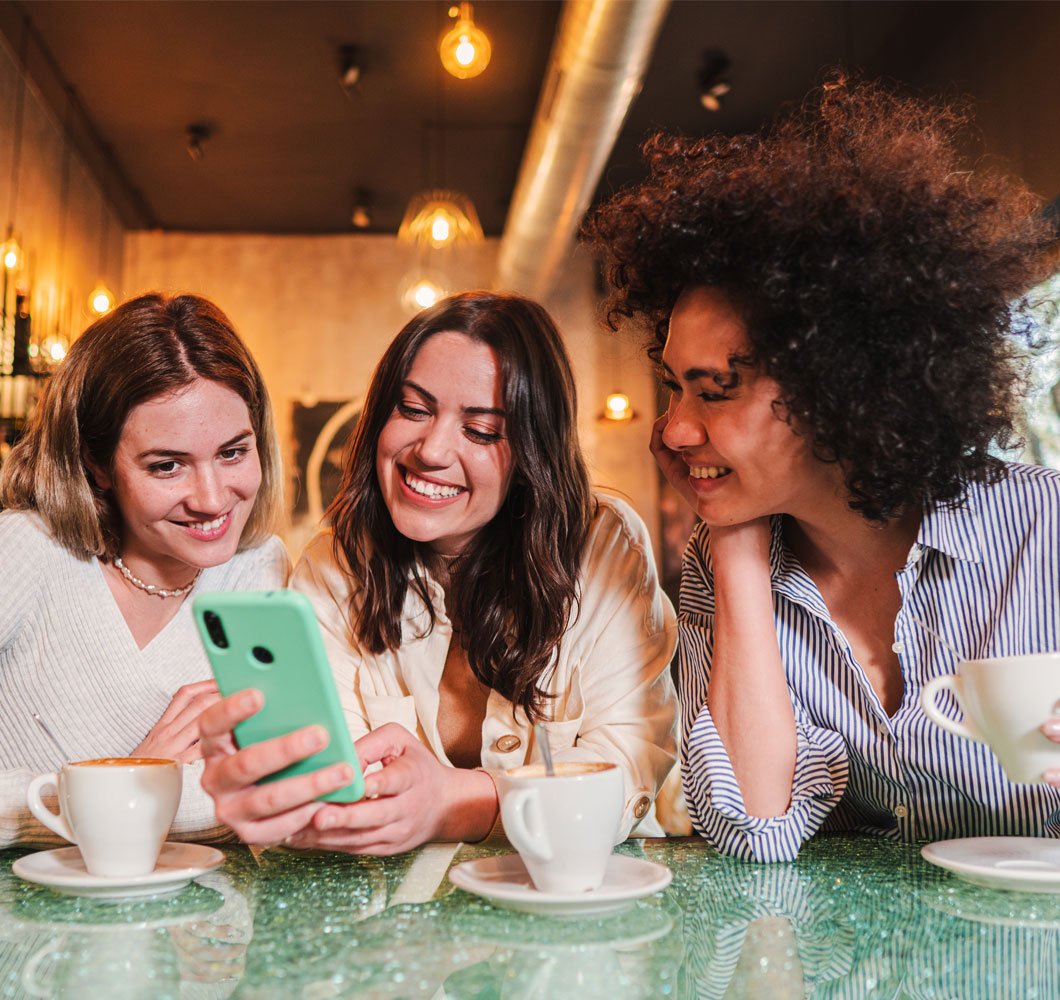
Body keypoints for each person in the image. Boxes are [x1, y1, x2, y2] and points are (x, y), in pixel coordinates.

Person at [586, 75, 1060, 862]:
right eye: (674, 386)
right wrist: (731, 539)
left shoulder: (1043, 529)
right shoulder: (725, 556)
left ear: (839, 385)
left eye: (716, 391)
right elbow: (754, 827)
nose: (672, 428)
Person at [198, 291, 678, 853]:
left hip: (582, 901)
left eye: (481, 431)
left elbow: (624, 770)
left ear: (531, 455)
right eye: (414, 409)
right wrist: (289, 790)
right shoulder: (335, 565)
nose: (430, 451)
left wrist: (454, 801)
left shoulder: (601, 545)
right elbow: (338, 786)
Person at [0, 293, 289, 845]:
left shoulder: (256, 569)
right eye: (168, 465)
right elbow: (223, 800)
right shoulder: (29, 549)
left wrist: (103, 802)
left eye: (232, 452)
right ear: (97, 465)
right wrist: (127, 782)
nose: (211, 499)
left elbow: (264, 794)